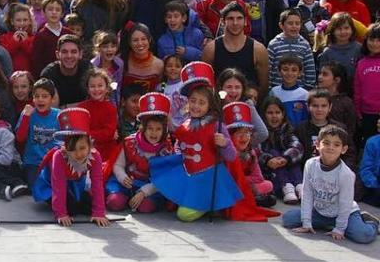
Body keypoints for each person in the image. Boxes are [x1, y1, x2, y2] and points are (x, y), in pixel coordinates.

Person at [150, 62, 242, 222]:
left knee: (183, 215)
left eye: (201, 102)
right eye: (193, 101)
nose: (196, 106)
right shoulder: (186, 122)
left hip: (206, 177)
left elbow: (232, 156)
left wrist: (224, 144)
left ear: (210, 104)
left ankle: (206, 204)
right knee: (168, 201)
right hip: (189, 174)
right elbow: (180, 144)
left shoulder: (217, 125)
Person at [283, 125, 378, 244]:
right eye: (326, 143)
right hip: (319, 212)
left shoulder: (346, 174)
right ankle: (326, 224)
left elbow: (345, 203)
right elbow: (307, 193)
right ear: (317, 144)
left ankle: (370, 222)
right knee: (288, 219)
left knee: (364, 235)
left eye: (336, 145)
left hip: (345, 213)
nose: (330, 148)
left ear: (343, 149)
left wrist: (339, 229)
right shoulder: (310, 164)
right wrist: (306, 222)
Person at [32, 108, 111, 228]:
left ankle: (76, 199)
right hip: (52, 184)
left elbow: (97, 183)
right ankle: (57, 203)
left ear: (90, 145)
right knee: (72, 209)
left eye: (82, 148)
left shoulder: (95, 156)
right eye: (72, 150)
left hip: (75, 184)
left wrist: (99, 213)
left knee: (90, 206)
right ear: (66, 147)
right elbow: (58, 186)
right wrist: (61, 214)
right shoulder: (59, 156)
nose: (79, 154)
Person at [106, 92, 173, 213]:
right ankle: (126, 197)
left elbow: (165, 177)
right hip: (127, 183)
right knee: (114, 202)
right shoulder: (130, 142)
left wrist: (144, 192)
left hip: (151, 186)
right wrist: (122, 177)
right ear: (143, 128)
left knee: (145, 207)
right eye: (150, 128)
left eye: (158, 129)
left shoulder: (166, 149)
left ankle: (137, 199)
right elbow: (118, 165)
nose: (154, 133)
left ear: (164, 130)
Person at [202, 2, 269, 98]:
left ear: (245, 21)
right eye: (230, 18)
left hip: (249, 105)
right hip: (220, 105)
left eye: (239, 18)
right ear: (222, 21)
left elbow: (264, 86)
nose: (235, 23)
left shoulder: (258, 50)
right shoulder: (210, 49)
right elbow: (207, 85)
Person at [226, 101, 276, 207]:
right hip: (228, 187)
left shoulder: (251, 153)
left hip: (244, 185)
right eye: (239, 133)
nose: (244, 137)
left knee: (268, 185)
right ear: (230, 136)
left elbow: (258, 177)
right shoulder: (226, 153)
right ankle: (251, 199)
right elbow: (227, 177)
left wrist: (243, 180)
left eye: (247, 133)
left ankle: (248, 198)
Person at [15, 78, 60, 186]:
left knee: (58, 183)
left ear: (52, 99)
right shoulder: (28, 113)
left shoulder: (59, 115)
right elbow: (20, 138)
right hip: (33, 162)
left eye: (44, 96)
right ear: (33, 98)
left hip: (53, 161)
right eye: (37, 96)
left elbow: (66, 140)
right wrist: (26, 117)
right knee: (35, 186)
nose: (40, 99)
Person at [260, 96, 304, 204]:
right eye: (270, 113)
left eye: (277, 112)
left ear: (283, 114)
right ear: (264, 115)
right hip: (272, 173)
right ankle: (286, 187)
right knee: (274, 152)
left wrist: (286, 158)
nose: (274, 116)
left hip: (288, 168)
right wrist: (268, 160)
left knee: (293, 159)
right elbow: (258, 151)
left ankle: (300, 186)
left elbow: (297, 146)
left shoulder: (287, 129)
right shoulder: (261, 132)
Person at [75, 69, 118, 166]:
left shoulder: (111, 109)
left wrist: (87, 134)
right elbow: (79, 132)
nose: (96, 89)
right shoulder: (81, 108)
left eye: (100, 85)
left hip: (107, 154)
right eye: (92, 86)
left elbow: (108, 133)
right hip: (85, 153)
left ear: (107, 88)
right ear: (87, 89)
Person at [267, 10, 316, 89]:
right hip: (277, 89)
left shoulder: (305, 45)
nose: (294, 26)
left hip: (299, 89)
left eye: (297, 23)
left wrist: (308, 88)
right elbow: (268, 69)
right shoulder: (274, 44)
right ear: (281, 25)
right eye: (290, 23)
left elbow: (310, 68)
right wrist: (269, 88)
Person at [39, 35, 91, 107]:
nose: (69, 56)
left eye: (73, 52)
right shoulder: (48, 74)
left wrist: (67, 106)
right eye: (64, 52)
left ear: (80, 54)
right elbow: (50, 108)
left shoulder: (89, 70)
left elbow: (97, 100)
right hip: (59, 116)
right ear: (57, 54)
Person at [30, 0, 70, 79]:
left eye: (57, 10)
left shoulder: (69, 33)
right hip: (49, 77)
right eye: (50, 9)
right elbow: (36, 61)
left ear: (62, 13)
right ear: (43, 13)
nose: (54, 12)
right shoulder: (40, 35)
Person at [354, 23, 380, 151]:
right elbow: (357, 90)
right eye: (371, 39)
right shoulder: (362, 63)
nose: (375, 43)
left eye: (378, 40)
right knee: (370, 145)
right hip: (367, 113)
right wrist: (358, 111)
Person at [120, 22, 164, 93]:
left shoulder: (159, 64)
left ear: (149, 40)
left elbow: (162, 88)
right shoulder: (121, 61)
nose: (140, 43)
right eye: (135, 40)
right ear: (129, 43)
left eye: (143, 39)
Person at [269, 55, 310, 127]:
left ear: (300, 73)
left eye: (294, 70)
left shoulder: (305, 94)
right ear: (279, 72)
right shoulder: (274, 92)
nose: (289, 73)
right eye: (285, 69)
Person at [0, 3, 34, 73]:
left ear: (30, 21)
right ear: (12, 21)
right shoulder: (4, 38)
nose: (22, 23)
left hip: (29, 76)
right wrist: (14, 42)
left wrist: (25, 42)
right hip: (10, 75)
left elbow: (34, 56)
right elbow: (4, 56)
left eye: (25, 20)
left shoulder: (33, 38)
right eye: (18, 20)